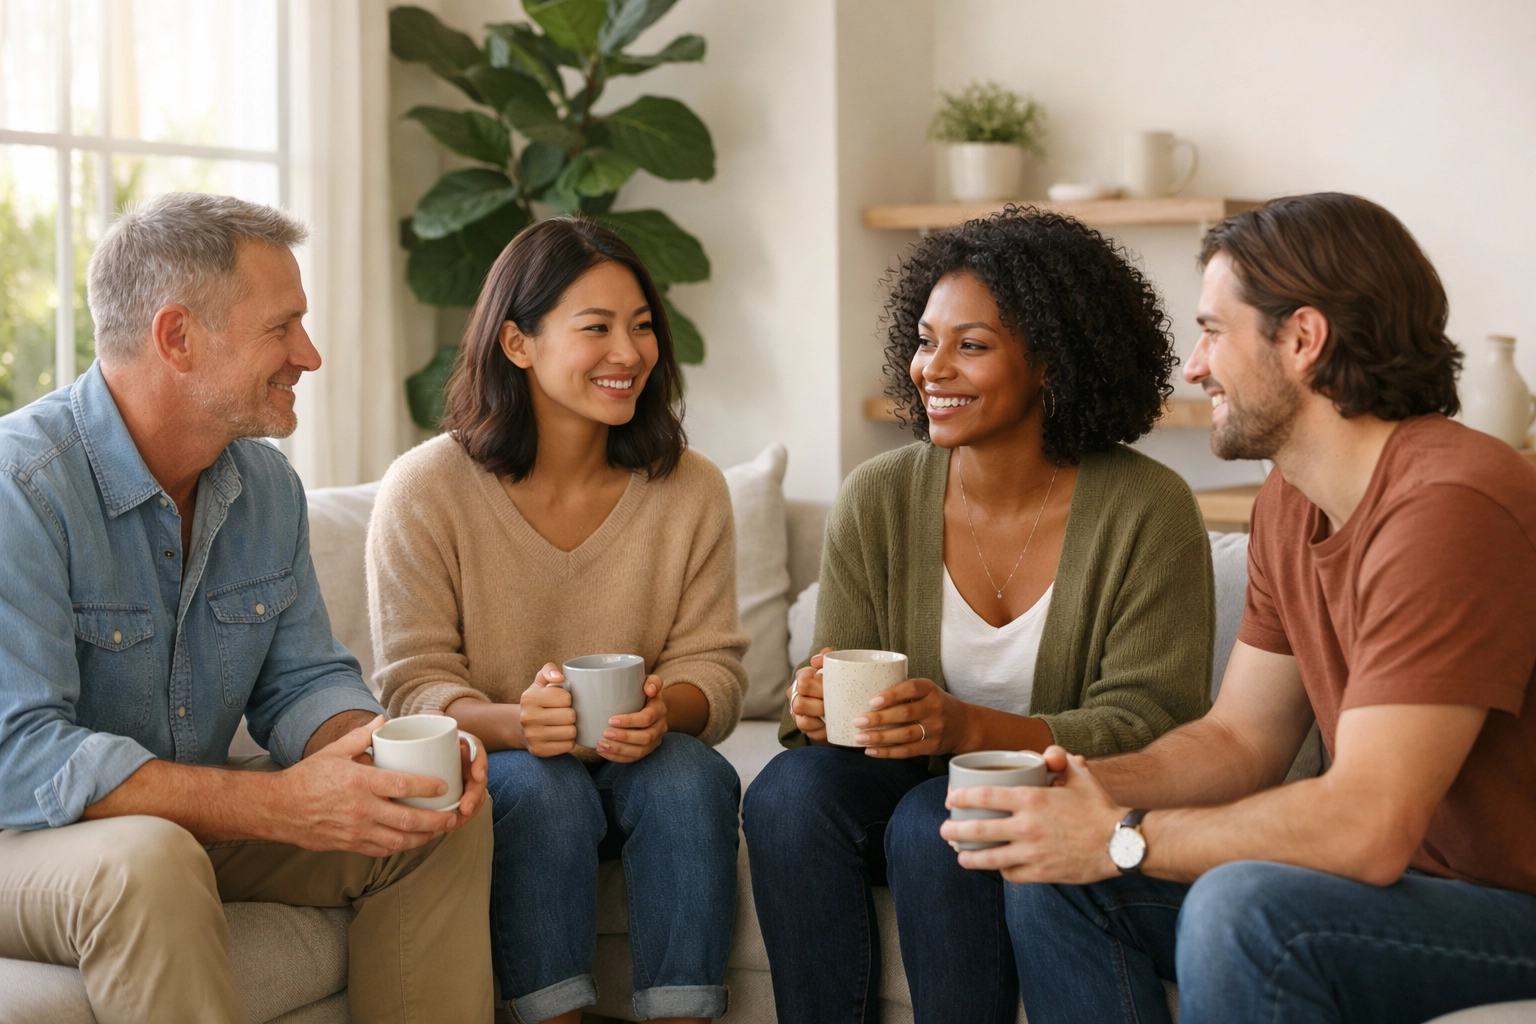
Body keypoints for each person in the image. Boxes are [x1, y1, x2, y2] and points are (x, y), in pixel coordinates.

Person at [944, 193, 1536, 1024]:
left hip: (1508, 905)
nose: (1192, 366)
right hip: (1414, 891)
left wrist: (1123, 835)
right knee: (1058, 874)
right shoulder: (1290, 503)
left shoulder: (1452, 502)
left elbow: (1368, 822)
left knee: (1245, 909)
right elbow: (1240, 739)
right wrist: (1079, 797)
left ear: (1302, 338)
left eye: (1213, 331)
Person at [0, 192, 493, 1024]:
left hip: (186, 822)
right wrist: (273, 803)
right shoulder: (23, 489)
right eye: (282, 327)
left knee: (427, 812)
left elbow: (303, 679)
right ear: (177, 338)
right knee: (148, 858)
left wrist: (377, 751)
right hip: (26, 840)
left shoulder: (264, 487)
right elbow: (21, 756)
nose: (310, 354)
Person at [742, 207, 1216, 1024]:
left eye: (972, 344)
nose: (934, 369)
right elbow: (833, 688)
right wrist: (811, 703)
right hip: (897, 788)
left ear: (1050, 362)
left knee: (942, 816)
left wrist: (968, 729)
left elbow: (1153, 721)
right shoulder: (880, 496)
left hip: (1051, 795)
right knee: (787, 792)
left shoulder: (1148, 507)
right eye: (927, 341)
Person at [367, 216, 748, 1024]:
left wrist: (661, 711)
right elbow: (411, 687)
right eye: (597, 327)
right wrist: (516, 723)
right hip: (510, 776)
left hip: (639, 772)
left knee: (690, 774)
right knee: (543, 787)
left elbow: (712, 668)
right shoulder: (425, 488)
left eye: (642, 326)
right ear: (517, 343)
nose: (630, 352)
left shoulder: (692, 489)